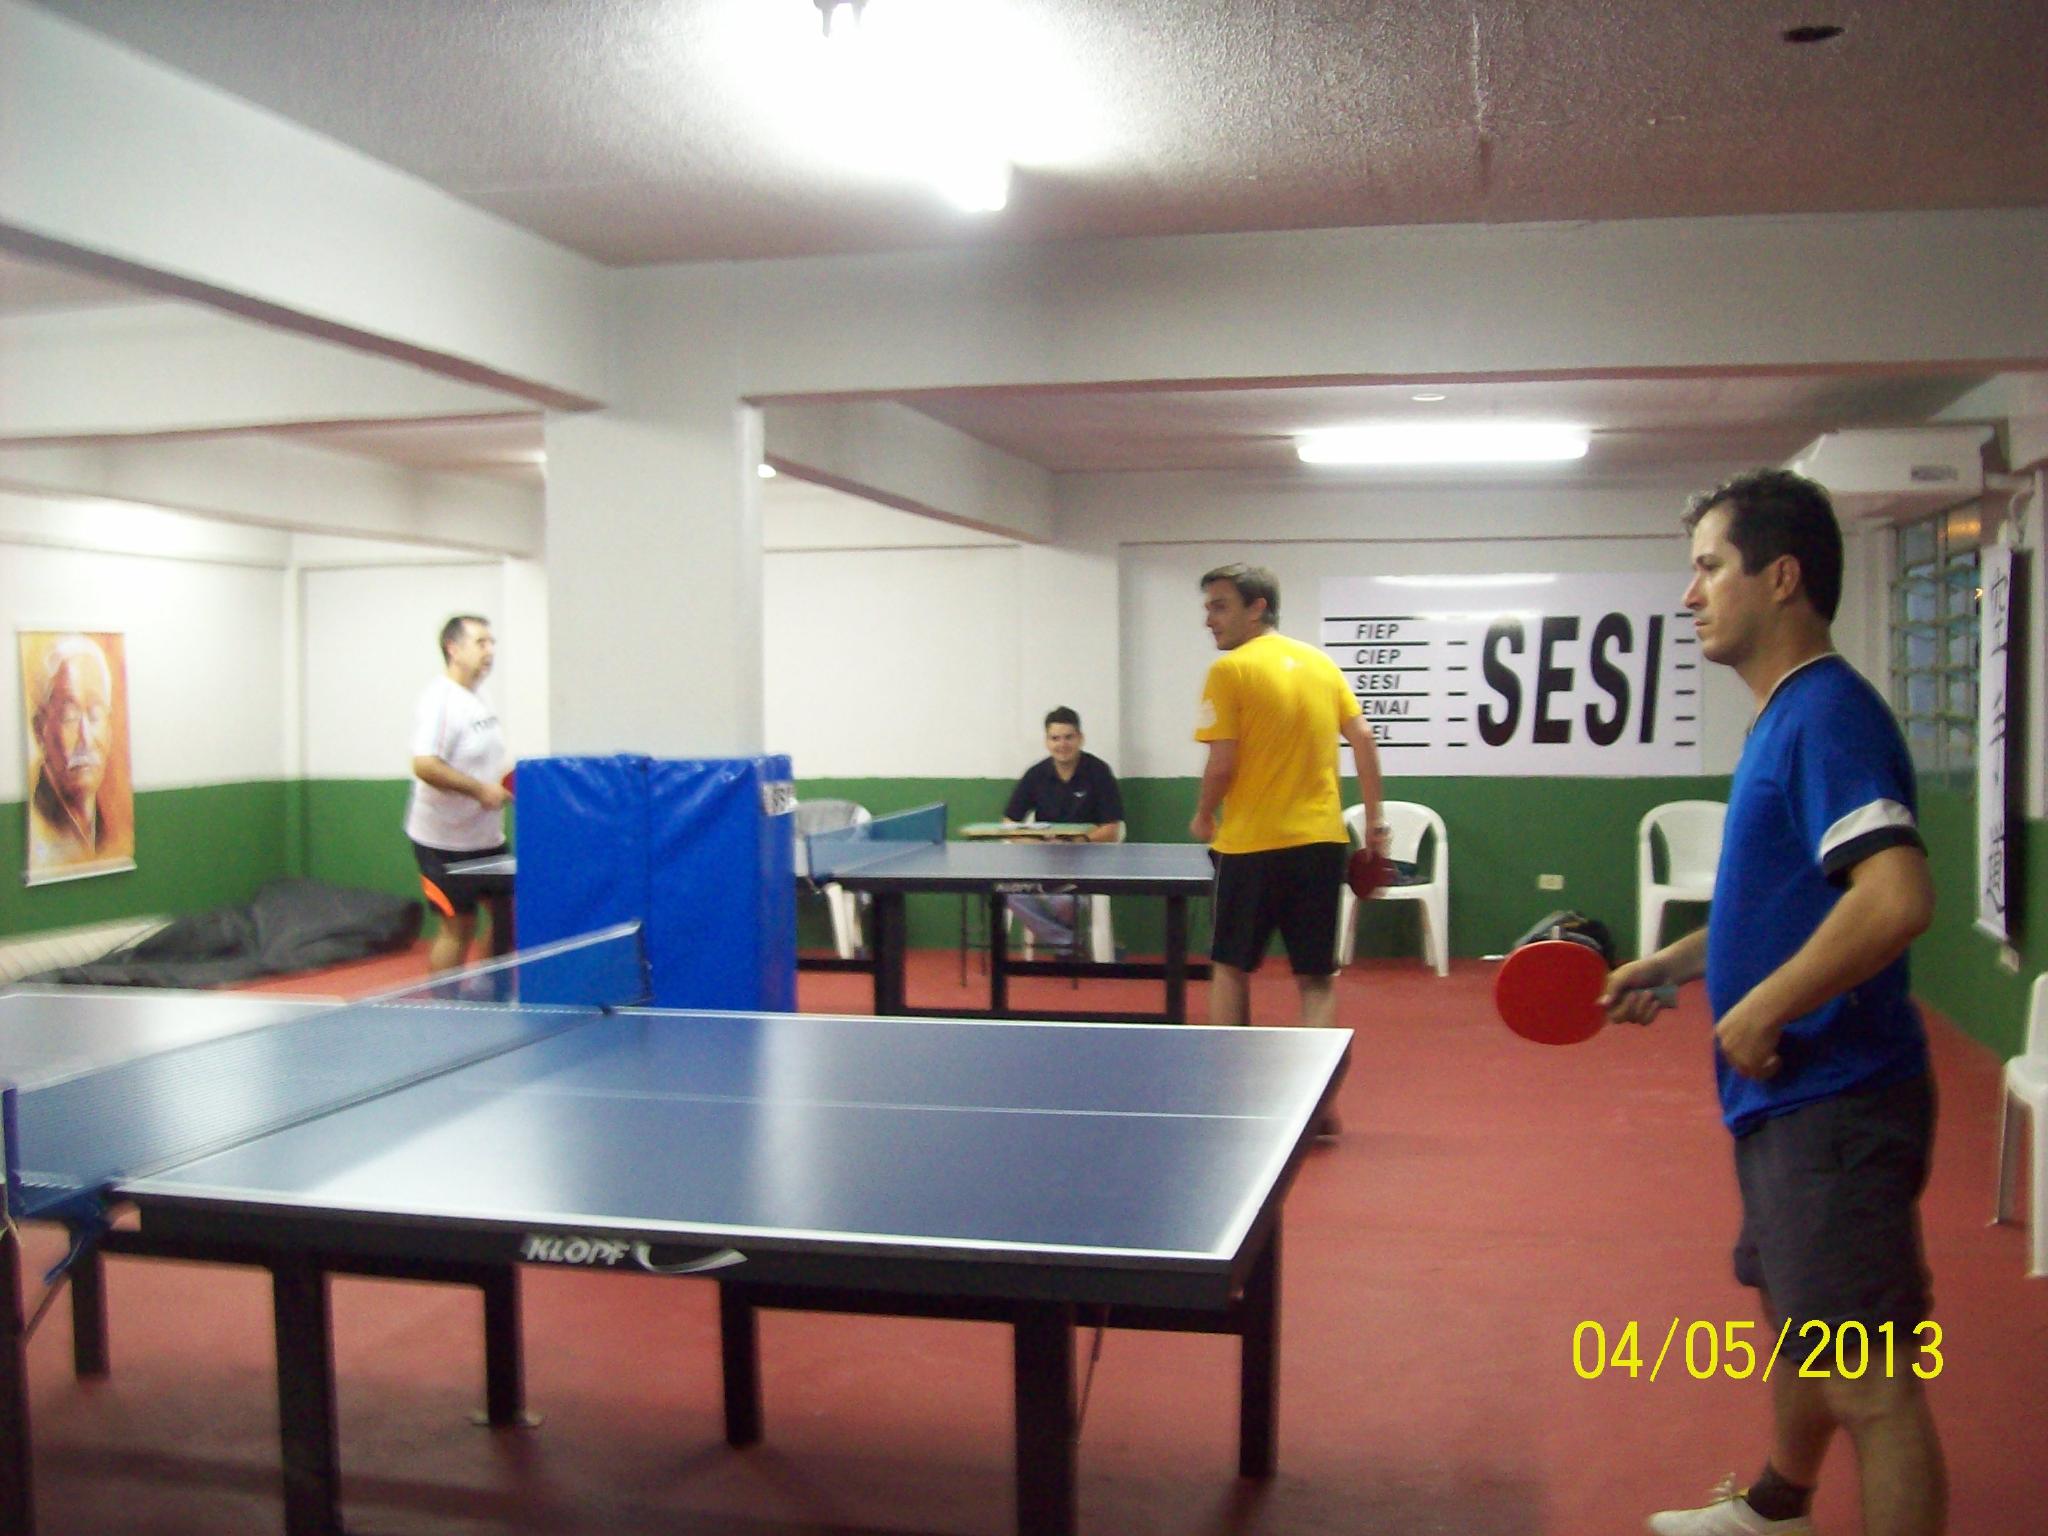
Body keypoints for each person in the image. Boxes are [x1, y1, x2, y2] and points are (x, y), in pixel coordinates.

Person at [1603, 470, 1944, 1536]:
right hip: (1789, 1100)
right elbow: (1793, 905)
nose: (1690, 593)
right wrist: (1676, 964)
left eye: (1709, 567)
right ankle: (1775, 1508)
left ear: (1781, 577)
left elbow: (1894, 897)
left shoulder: (1826, 716)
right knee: (1801, 1327)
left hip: (1835, 1100)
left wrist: (1761, 1010)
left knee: (1872, 1386)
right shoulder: (1784, 717)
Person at [1191, 563, 1385, 1035]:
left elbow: (1222, 763)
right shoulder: (1321, 664)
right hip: (1320, 844)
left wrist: (1203, 814)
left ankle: (1227, 1074)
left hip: (1250, 847)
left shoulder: (1229, 669)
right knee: (1316, 979)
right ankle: (1322, 1081)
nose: (1209, 620)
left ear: (1256, 608)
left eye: (1220, 607)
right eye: (1209, 608)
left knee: (1230, 969)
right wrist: (1375, 824)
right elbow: (1363, 738)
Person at [406, 614, 514, 973]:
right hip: (443, 843)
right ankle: (445, 1003)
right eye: (481, 643)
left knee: (509, 917)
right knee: (459, 925)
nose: (489, 650)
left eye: (491, 643)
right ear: (453, 649)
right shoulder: (440, 701)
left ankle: (488, 990)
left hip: (485, 838)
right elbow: (425, 764)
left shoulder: (480, 697)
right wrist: (479, 790)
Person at [1001, 706, 1125, 950]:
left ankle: (1064, 944)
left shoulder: (1099, 772)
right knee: (1009, 894)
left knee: (1065, 903)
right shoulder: (1036, 774)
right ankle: (1066, 942)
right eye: (1055, 738)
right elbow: (1009, 823)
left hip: (1087, 863)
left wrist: (1076, 842)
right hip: (1044, 863)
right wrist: (1037, 844)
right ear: (1047, 742)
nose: (1062, 744)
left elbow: (1112, 829)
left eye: (1068, 737)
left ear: (1080, 738)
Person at [26, 634, 131, 873]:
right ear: (40, 729)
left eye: (95, 715)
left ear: (109, 728)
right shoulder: (38, 823)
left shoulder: (109, 831)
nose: (86, 738)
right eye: (69, 716)